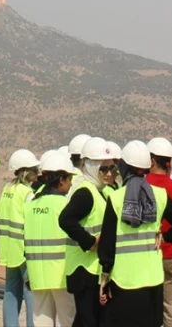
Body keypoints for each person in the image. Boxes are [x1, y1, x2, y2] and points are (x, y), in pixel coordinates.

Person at [97, 140, 172, 327]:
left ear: (124, 167)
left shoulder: (116, 198)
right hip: (153, 279)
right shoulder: (159, 196)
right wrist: (166, 236)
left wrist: (105, 276)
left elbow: (107, 244)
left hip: (124, 280)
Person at [59, 137, 116, 327]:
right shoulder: (85, 193)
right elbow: (65, 220)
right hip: (83, 270)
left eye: (111, 168)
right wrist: (90, 241)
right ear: (91, 167)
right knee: (88, 320)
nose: (109, 174)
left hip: (93, 269)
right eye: (104, 169)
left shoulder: (102, 191)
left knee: (88, 320)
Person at [25, 151, 78, 326]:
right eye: (69, 179)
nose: (71, 184)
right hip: (61, 275)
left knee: (41, 321)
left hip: (37, 275)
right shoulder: (66, 205)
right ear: (61, 180)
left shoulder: (30, 205)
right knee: (68, 320)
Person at [145, 137, 172, 327]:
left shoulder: (139, 187)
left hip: (145, 254)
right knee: (171, 307)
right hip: (171, 253)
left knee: (146, 306)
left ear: (151, 160)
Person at [0, 149, 40, 327]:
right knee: (30, 292)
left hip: (9, 249)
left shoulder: (7, 189)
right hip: (24, 251)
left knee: (10, 291)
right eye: (33, 169)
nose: (36, 173)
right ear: (24, 171)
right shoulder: (27, 193)